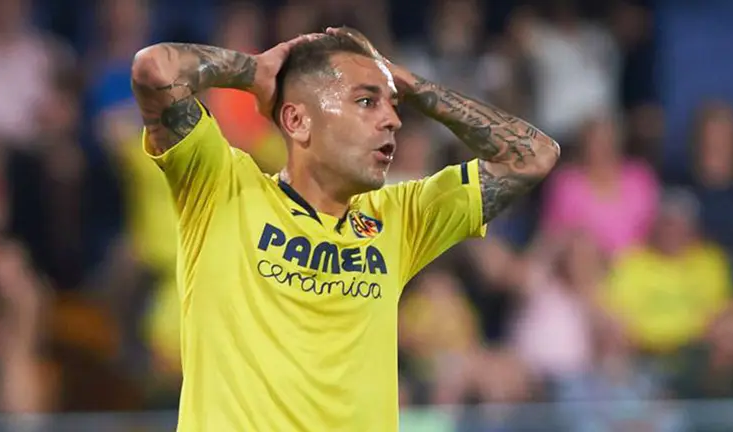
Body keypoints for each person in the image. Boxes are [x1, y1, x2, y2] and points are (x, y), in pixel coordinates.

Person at [130, 26, 560, 432]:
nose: (392, 119)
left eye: (393, 105)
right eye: (366, 102)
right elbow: (156, 70)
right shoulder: (222, 188)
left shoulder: (399, 217)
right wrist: (254, 71)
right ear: (298, 121)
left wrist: (413, 88)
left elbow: (533, 156)